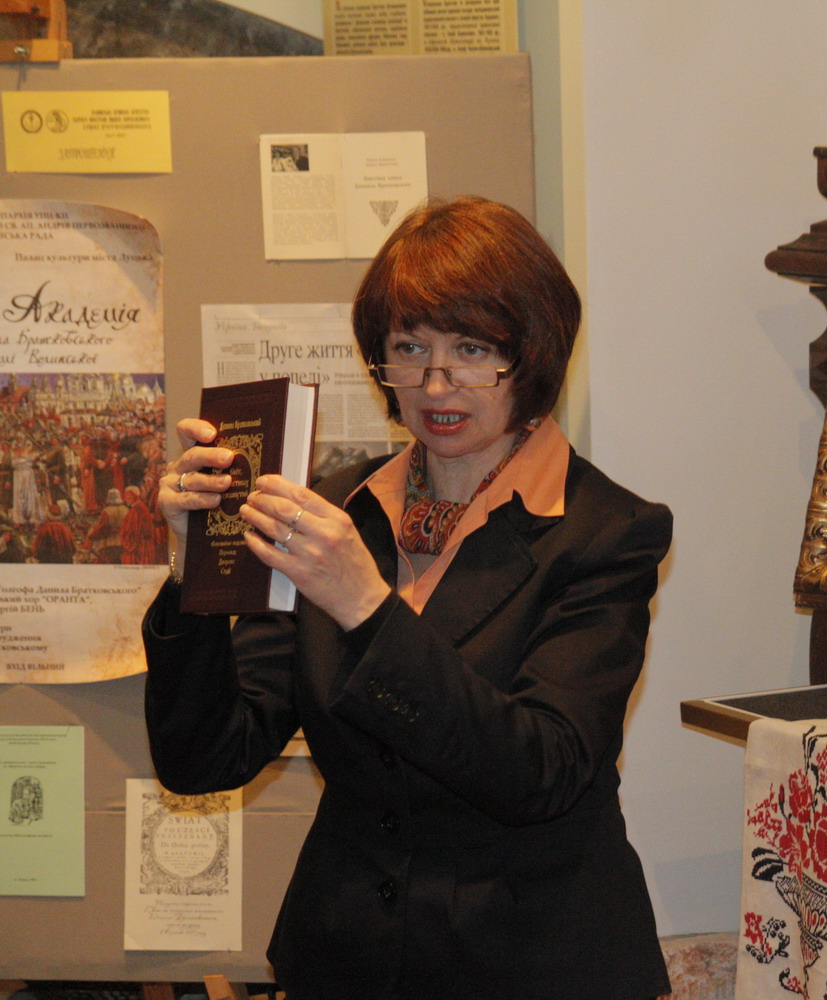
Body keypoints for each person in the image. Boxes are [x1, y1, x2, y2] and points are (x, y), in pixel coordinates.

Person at [142, 197, 673, 1000]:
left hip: (531, 965)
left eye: (472, 349)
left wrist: (368, 607)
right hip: (345, 958)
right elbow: (207, 758)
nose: (435, 382)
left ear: (531, 355)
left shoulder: (606, 531)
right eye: (409, 347)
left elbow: (543, 770)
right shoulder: (337, 509)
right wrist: (194, 571)